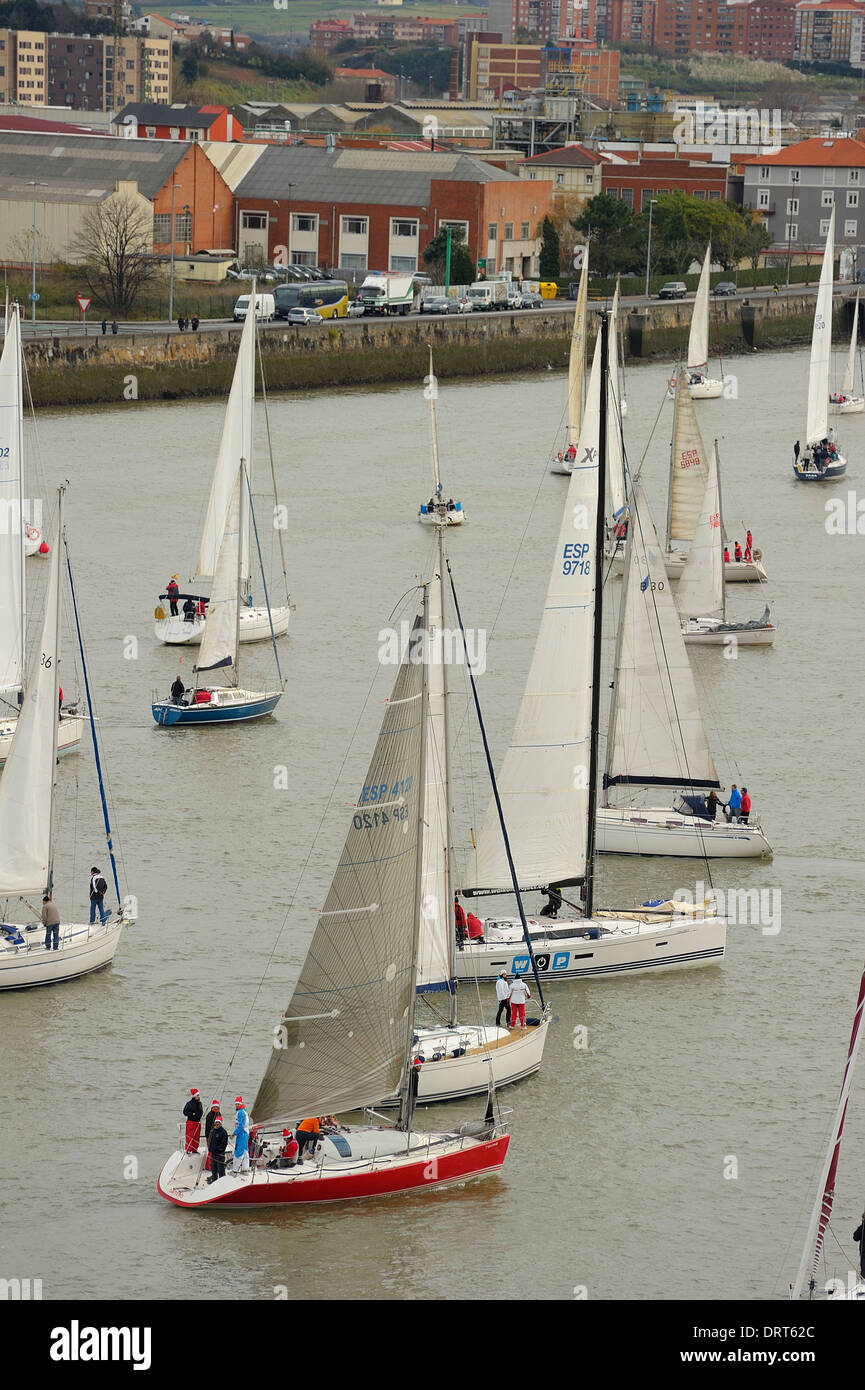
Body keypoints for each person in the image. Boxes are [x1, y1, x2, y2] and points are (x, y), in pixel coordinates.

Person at [230, 1096, 250, 1174]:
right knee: (245, 1151)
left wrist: (234, 1133)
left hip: (242, 1134)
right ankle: (245, 1169)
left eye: (238, 1104)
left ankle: (235, 1171)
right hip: (244, 1134)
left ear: (241, 1104)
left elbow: (241, 1125)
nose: (237, 1105)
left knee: (239, 1152)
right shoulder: (243, 1111)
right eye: (236, 1104)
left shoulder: (241, 1112)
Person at [206, 1115, 228, 1183]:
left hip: (220, 1155)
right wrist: (210, 1148)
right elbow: (209, 1141)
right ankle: (214, 1182)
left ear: (221, 1123)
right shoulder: (213, 1131)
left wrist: (217, 1149)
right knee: (213, 1169)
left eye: (219, 1122)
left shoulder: (223, 1132)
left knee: (220, 1170)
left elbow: (224, 1144)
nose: (217, 1123)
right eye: (216, 1122)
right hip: (213, 1154)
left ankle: (222, 1183)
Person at [183, 1088, 203, 1153]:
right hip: (191, 1122)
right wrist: (192, 1114)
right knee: (190, 1136)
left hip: (198, 1122)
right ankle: (188, 1149)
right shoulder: (189, 1104)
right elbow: (185, 1112)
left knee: (196, 1137)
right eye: (197, 1095)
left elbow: (201, 1111)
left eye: (198, 1095)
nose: (198, 1096)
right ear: (194, 1096)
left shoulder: (200, 1103)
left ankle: (195, 1149)